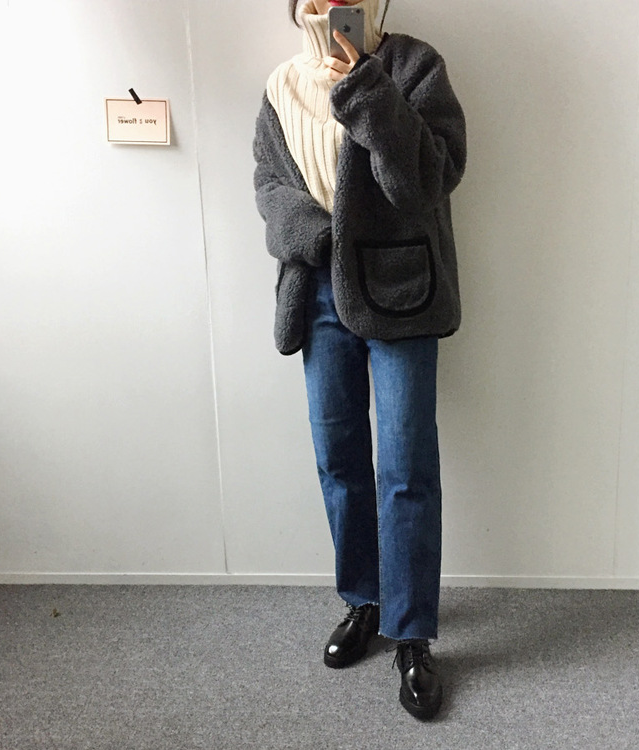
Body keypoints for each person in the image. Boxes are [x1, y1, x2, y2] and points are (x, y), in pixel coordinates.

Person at [253, 0, 466, 720]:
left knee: (406, 466)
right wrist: (321, 240)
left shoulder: (413, 67)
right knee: (338, 457)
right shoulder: (281, 86)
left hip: (401, 287)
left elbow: (426, 182)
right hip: (317, 287)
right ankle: (364, 601)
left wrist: (367, 88)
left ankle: (412, 634)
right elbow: (270, 189)